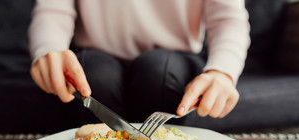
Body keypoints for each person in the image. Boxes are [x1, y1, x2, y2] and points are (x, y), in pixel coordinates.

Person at [28, 0, 250, 126]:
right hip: (95, 60)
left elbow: (228, 19)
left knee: (158, 75)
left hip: (169, 65)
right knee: (95, 79)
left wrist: (222, 72)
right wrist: (49, 49)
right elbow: (53, 10)